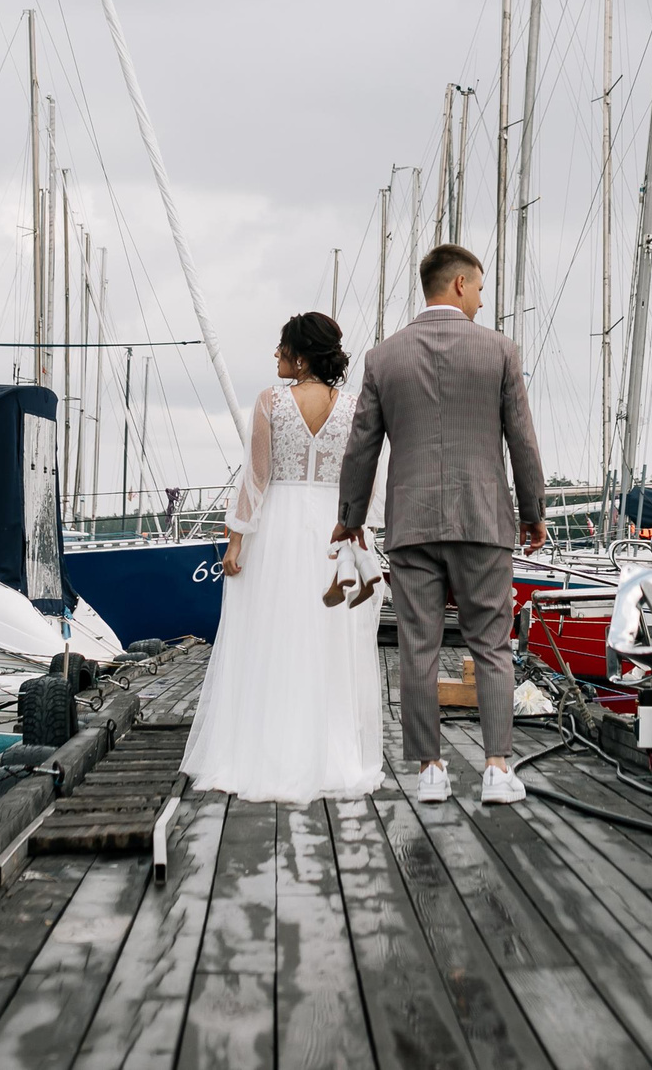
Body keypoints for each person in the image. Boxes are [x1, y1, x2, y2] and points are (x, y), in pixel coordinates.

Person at [336, 242, 546, 806]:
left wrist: (350, 518)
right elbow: (521, 439)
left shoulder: (382, 358)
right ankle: (497, 769)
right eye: (479, 286)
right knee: (492, 646)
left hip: (413, 522)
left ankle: (430, 771)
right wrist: (534, 512)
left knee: (418, 648)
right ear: (457, 285)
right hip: (483, 519)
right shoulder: (500, 350)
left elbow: (362, 447)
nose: (481, 297)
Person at [182, 312, 383, 802]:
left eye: (281, 348)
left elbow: (256, 479)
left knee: (273, 634)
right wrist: (361, 531)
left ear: (301, 354)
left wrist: (236, 541)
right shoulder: (357, 408)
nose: (275, 355)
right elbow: (371, 476)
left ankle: (269, 747)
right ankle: (329, 750)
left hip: (279, 526)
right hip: (336, 525)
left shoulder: (271, 402)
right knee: (331, 641)